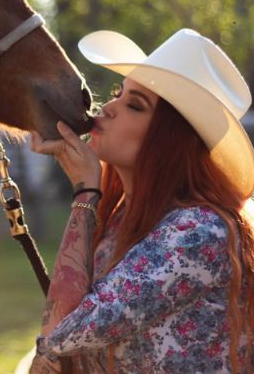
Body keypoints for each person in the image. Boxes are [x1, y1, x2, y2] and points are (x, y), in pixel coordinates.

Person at [27, 28, 254, 373]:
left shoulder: (198, 233)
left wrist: (85, 192)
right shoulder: (120, 221)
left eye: (134, 105)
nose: (110, 107)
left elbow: (61, 333)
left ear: (169, 141)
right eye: (120, 93)